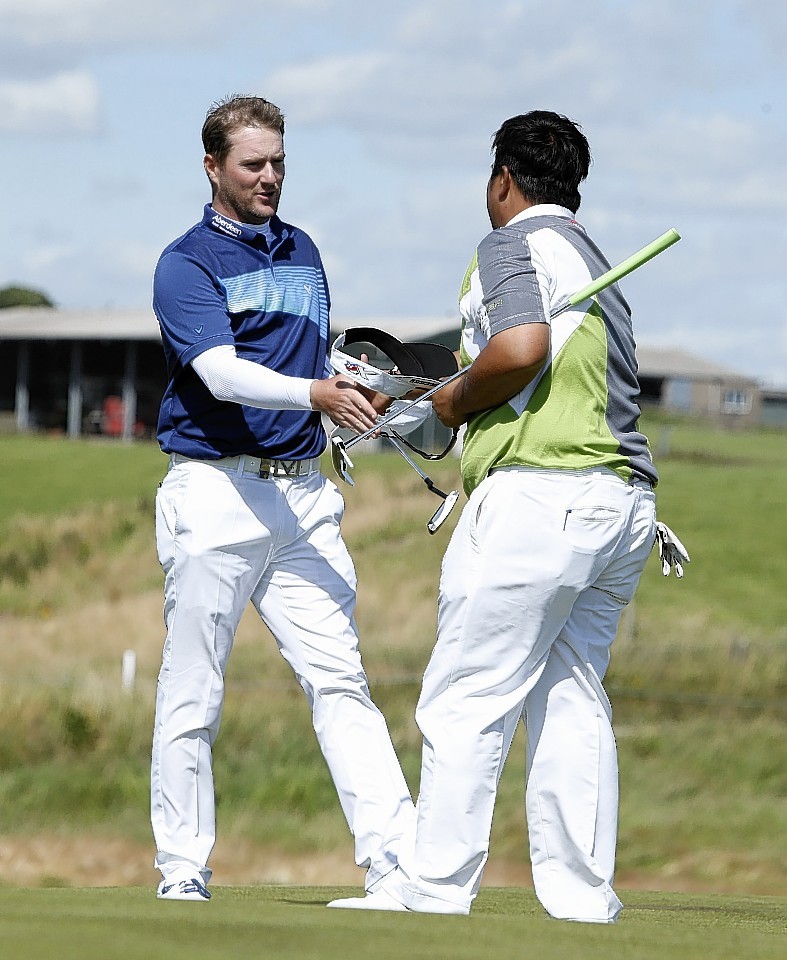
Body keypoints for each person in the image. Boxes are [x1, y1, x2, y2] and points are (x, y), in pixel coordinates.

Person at [328, 110, 658, 922]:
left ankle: (432, 888)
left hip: (539, 498)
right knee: (571, 698)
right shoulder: (595, 260)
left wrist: (444, 399)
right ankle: (583, 902)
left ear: (502, 182)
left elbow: (516, 352)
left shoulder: (509, 245)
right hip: (622, 507)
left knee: (465, 696)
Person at [150, 94, 414, 902]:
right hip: (214, 491)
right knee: (193, 690)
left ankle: (400, 866)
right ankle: (183, 871)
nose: (269, 178)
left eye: (279, 164)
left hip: (302, 500)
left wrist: (360, 401)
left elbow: (317, 362)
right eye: (252, 165)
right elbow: (222, 373)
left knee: (342, 684)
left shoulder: (303, 249)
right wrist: (316, 395)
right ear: (212, 168)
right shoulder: (185, 262)